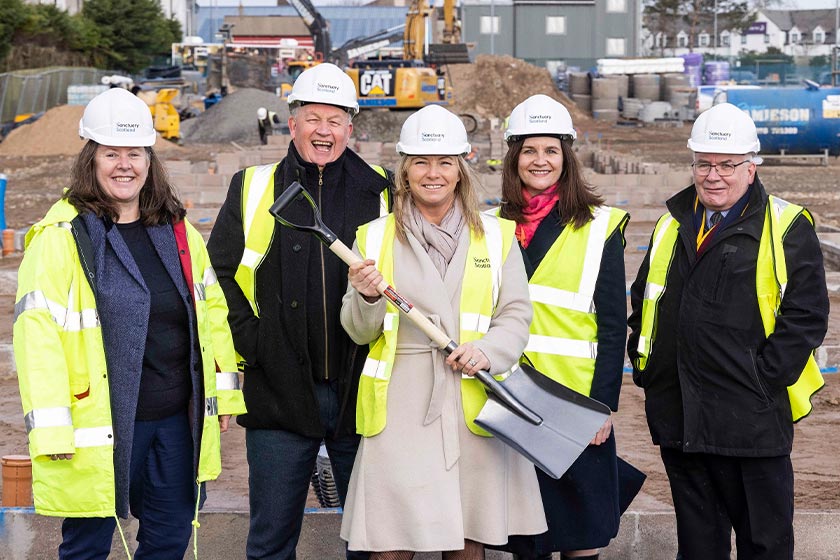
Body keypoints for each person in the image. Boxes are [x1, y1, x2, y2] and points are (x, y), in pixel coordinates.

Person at [13, 87, 246, 559]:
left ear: (149, 159)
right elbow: (37, 342)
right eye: (111, 153)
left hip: (175, 423)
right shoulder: (61, 239)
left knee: (168, 540)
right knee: (88, 547)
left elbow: (211, 317)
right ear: (90, 159)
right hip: (100, 426)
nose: (125, 164)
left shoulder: (176, 231)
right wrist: (52, 430)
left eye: (135, 153)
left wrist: (223, 399)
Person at [339, 104, 547, 559]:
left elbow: (515, 313)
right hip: (402, 409)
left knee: (468, 540)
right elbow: (357, 331)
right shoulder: (373, 238)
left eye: (444, 162)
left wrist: (489, 351)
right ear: (405, 169)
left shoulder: (496, 237)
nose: (433, 173)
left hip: (473, 401)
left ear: (460, 169)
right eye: (421, 162)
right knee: (391, 542)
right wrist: (368, 297)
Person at [207, 62, 393, 560]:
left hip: (362, 391)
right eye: (313, 118)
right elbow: (219, 275)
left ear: (351, 127)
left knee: (374, 538)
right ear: (292, 123)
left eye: (335, 121)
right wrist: (258, 344)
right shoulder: (252, 186)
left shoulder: (383, 189)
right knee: (270, 541)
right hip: (279, 391)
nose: (323, 131)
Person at [627, 102, 829, 560]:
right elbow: (644, 302)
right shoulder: (671, 223)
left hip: (751, 420)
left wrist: (763, 378)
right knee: (699, 547)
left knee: (764, 544)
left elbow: (806, 314)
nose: (713, 175)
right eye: (704, 164)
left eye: (727, 165)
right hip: (679, 415)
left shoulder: (786, 224)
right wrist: (648, 369)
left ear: (751, 167)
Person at [493, 94, 630, 560]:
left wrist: (601, 407)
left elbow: (614, 327)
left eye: (551, 151)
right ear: (514, 158)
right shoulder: (491, 226)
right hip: (512, 400)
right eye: (529, 151)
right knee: (528, 537)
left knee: (581, 532)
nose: (540, 161)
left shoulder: (598, 227)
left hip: (575, 404)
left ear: (566, 158)